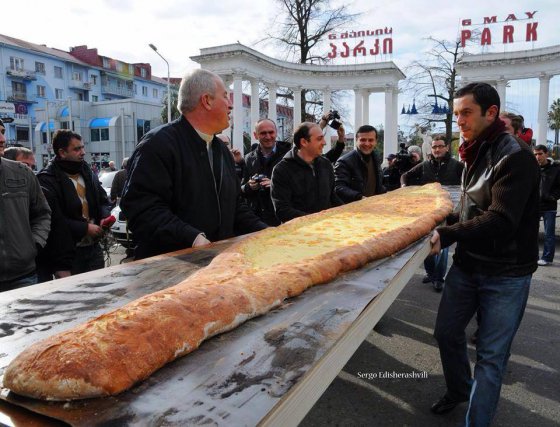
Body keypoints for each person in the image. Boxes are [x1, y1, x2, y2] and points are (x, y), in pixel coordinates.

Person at [429, 82, 540, 425]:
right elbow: (471, 204)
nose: (459, 121)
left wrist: (446, 234)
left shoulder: (516, 156)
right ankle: (461, 389)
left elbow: (501, 220)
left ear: (491, 113)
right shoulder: (473, 149)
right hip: (468, 265)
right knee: (446, 333)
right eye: (456, 114)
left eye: (466, 113)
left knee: (491, 358)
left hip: (507, 273)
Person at [121, 69, 267, 259]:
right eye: (225, 97)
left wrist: (265, 232)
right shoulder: (158, 144)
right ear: (206, 101)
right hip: (170, 270)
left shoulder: (220, 150)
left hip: (214, 263)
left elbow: (235, 207)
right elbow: (142, 209)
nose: (231, 105)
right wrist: (193, 238)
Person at [36, 130, 113, 280]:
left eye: (83, 147)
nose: (83, 152)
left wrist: (104, 216)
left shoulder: (88, 172)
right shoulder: (47, 179)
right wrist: (85, 228)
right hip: (68, 254)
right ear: (62, 152)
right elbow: (53, 220)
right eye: (77, 149)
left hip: (93, 249)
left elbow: (103, 200)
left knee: (99, 295)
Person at [400, 135, 464, 291]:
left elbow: (467, 186)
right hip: (428, 211)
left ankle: (439, 277)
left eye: (440, 146)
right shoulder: (424, 165)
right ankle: (430, 272)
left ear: (447, 147)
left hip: (450, 211)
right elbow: (405, 176)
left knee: (442, 245)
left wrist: (461, 207)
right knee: (427, 243)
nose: (437, 149)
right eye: (434, 147)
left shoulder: (458, 165)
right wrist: (403, 187)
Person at [0, 118, 51, 290]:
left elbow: (43, 214)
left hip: (23, 276)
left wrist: (33, 244)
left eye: (2, 132)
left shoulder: (22, 173)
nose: (1, 139)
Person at [271, 122, 343, 223]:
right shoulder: (282, 170)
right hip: (300, 233)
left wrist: (347, 212)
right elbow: (282, 210)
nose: (324, 142)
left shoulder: (325, 164)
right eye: (319, 139)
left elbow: (332, 197)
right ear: (304, 142)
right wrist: (315, 220)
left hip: (327, 227)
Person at [241, 118, 291, 226]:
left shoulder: (289, 156)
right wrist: (250, 186)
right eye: (263, 133)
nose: (268, 137)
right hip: (257, 221)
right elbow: (241, 190)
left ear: (276, 132)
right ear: (255, 135)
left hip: (282, 219)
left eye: (271, 132)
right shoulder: (248, 158)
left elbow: (299, 187)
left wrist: (274, 184)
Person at [334, 124, 386, 203]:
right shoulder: (344, 162)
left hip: (375, 206)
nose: (367, 144)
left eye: (371, 140)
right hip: (353, 209)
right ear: (356, 140)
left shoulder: (376, 157)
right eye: (363, 140)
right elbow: (339, 187)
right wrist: (360, 197)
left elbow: (377, 184)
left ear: (376, 141)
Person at [533, 144, 560, 266]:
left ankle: (547, 258)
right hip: (534, 205)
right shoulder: (532, 168)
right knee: (531, 231)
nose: (537, 156)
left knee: (549, 235)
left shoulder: (556, 169)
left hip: (549, 206)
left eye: (540, 154)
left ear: (546, 154)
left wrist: (553, 197)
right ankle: (533, 256)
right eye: (535, 154)